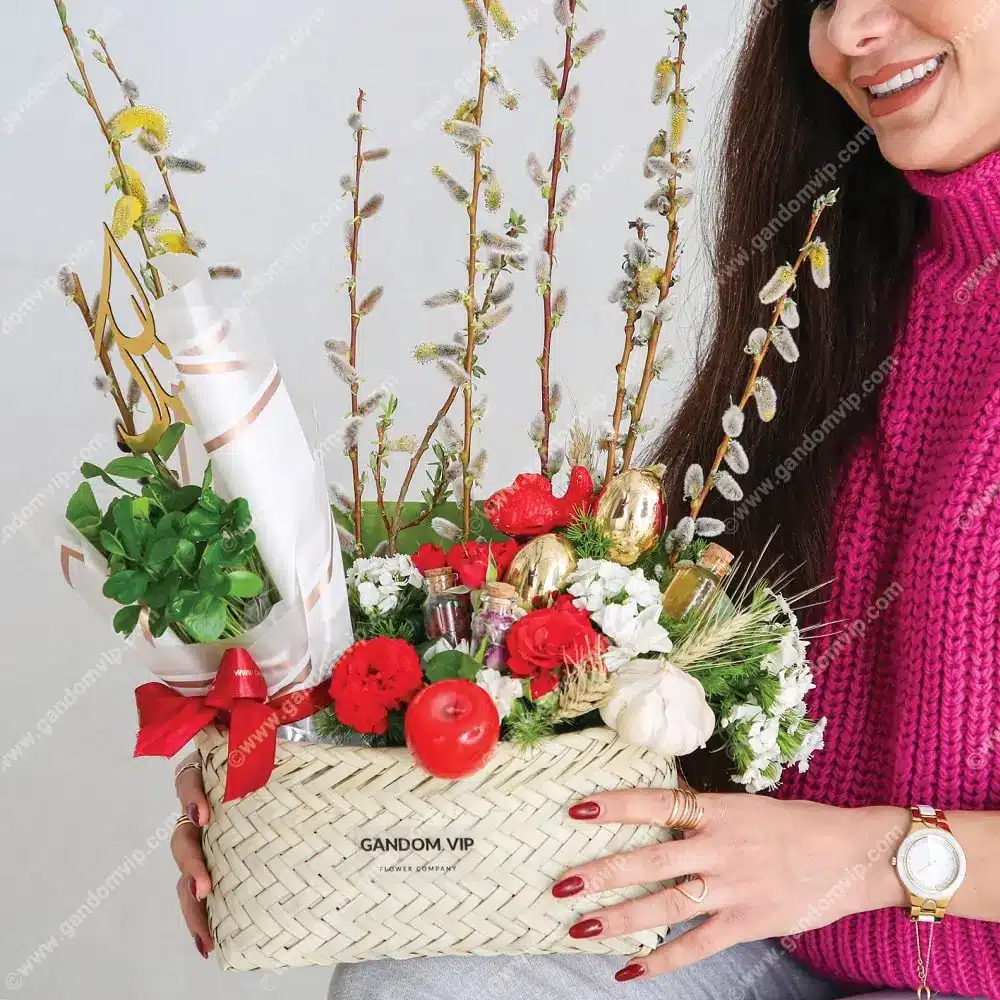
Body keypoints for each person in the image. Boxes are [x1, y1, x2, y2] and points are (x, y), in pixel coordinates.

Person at [170, 0, 1000, 996]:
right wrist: (310, 770)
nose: (849, 31)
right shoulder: (845, 262)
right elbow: (676, 665)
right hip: (774, 931)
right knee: (422, 981)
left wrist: (874, 859)